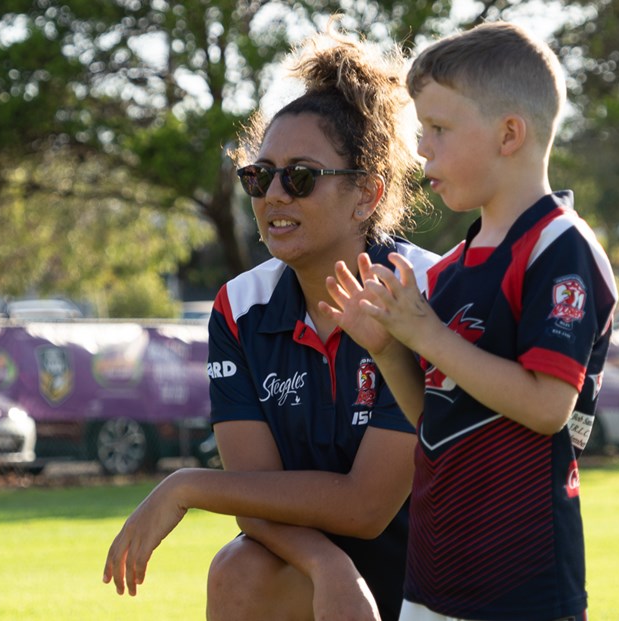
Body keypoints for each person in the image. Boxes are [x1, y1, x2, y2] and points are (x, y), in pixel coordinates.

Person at [103, 27, 439, 621]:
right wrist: (326, 565)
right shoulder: (239, 308)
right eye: (260, 176)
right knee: (240, 569)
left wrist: (187, 484)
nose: (274, 195)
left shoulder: (426, 291)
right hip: (327, 582)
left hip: (450, 581)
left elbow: (366, 508)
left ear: (367, 195)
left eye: (301, 176)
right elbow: (255, 493)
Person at [320, 21, 618, 621]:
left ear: (510, 133)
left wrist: (426, 333)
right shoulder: (452, 269)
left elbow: (546, 406)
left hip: (524, 589)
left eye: (439, 128)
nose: (422, 147)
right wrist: (386, 348)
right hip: (432, 583)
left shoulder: (560, 248)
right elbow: (438, 418)